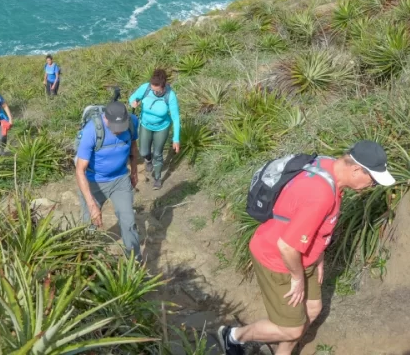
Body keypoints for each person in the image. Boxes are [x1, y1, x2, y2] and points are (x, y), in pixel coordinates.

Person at [215, 141, 396, 355]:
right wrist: (298, 278)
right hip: (278, 260)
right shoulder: (320, 194)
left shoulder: (328, 167)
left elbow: (316, 227)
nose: (372, 185)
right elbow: (287, 246)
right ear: (357, 170)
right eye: (373, 180)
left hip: (303, 256)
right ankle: (233, 336)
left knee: (312, 308)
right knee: (291, 329)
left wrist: (317, 257)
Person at [75, 100, 141, 260]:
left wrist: (134, 171)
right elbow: (80, 170)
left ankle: (135, 263)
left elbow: (133, 147)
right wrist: (92, 205)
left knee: (129, 221)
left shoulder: (132, 122)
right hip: (94, 182)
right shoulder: (92, 131)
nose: (118, 132)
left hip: (120, 179)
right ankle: (86, 262)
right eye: (115, 128)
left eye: (121, 127)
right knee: (89, 225)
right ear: (106, 119)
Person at [128, 68, 181, 190]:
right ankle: (148, 160)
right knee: (143, 152)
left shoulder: (170, 96)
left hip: (162, 127)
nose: (153, 91)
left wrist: (176, 138)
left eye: (156, 90)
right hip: (145, 125)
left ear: (163, 86)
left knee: (158, 154)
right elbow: (133, 97)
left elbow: (176, 118)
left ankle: (157, 178)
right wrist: (133, 102)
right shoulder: (146, 88)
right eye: (152, 88)